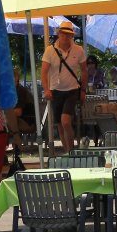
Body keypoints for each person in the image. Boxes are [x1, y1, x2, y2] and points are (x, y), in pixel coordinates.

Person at [40, 19, 86, 154]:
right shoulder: (50, 50)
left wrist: (83, 90)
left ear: (72, 36)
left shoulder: (78, 50)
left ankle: (71, 150)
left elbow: (84, 70)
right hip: (55, 90)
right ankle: (67, 152)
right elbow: (44, 72)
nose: (65, 36)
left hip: (72, 90)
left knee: (66, 121)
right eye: (63, 33)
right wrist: (46, 90)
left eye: (68, 34)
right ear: (58, 34)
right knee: (60, 124)